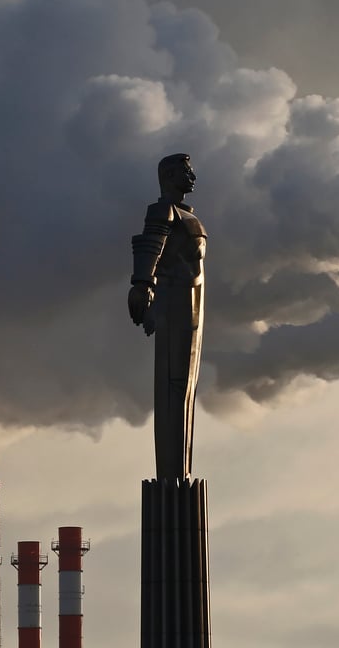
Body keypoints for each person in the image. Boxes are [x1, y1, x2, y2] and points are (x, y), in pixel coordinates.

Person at [128, 153, 207, 480]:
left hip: (193, 304)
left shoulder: (189, 215)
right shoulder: (165, 211)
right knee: (175, 383)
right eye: (186, 171)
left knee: (186, 386)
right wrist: (142, 286)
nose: (193, 176)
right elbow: (151, 247)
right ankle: (171, 476)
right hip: (175, 300)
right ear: (170, 175)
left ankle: (181, 473)